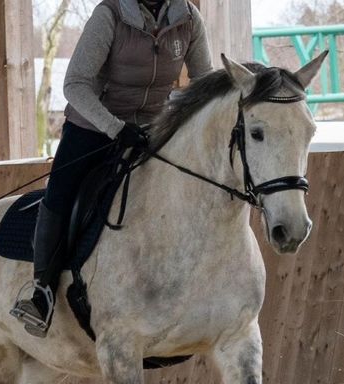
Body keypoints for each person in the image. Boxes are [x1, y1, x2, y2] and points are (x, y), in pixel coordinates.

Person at [11, 0, 213, 337]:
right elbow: (75, 84)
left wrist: (179, 120)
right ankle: (42, 292)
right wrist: (115, 128)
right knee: (61, 194)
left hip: (154, 129)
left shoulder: (189, 18)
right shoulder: (110, 16)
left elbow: (204, 82)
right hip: (94, 125)